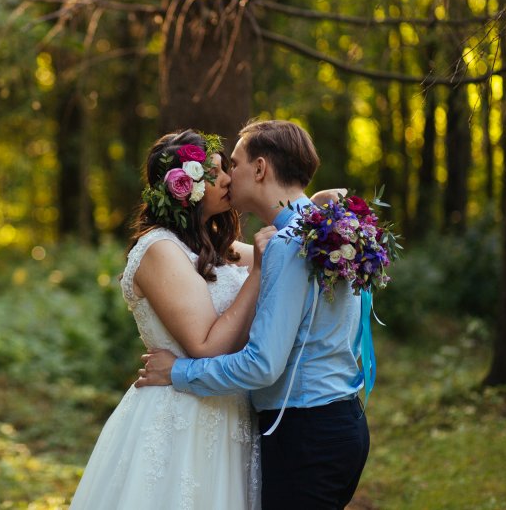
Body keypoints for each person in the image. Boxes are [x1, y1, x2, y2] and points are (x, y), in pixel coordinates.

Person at [69, 129, 343, 510]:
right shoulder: (160, 249)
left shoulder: (216, 248)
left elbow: (290, 241)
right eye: (216, 171)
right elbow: (206, 346)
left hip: (231, 417)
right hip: (182, 418)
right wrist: (259, 274)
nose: (230, 178)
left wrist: (313, 204)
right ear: (186, 189)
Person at [136, 120, 370, 510]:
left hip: (306, 433)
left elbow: (262, 365)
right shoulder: (331, 231)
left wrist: (176, 371)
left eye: (236, 164)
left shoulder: (289, 243)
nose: (229, 176)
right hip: (339, 420)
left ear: (260, 169)